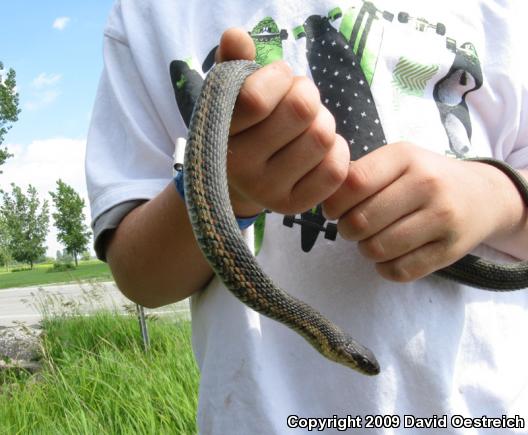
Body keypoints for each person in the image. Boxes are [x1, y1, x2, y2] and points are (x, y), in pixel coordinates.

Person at [86, 0, 528, 433]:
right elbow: (139, 276)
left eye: (359, 360)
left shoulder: (505, 11)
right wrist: (229, 186)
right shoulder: (151, 13)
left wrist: (494, 196)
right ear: (330, 345)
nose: (361, 364)